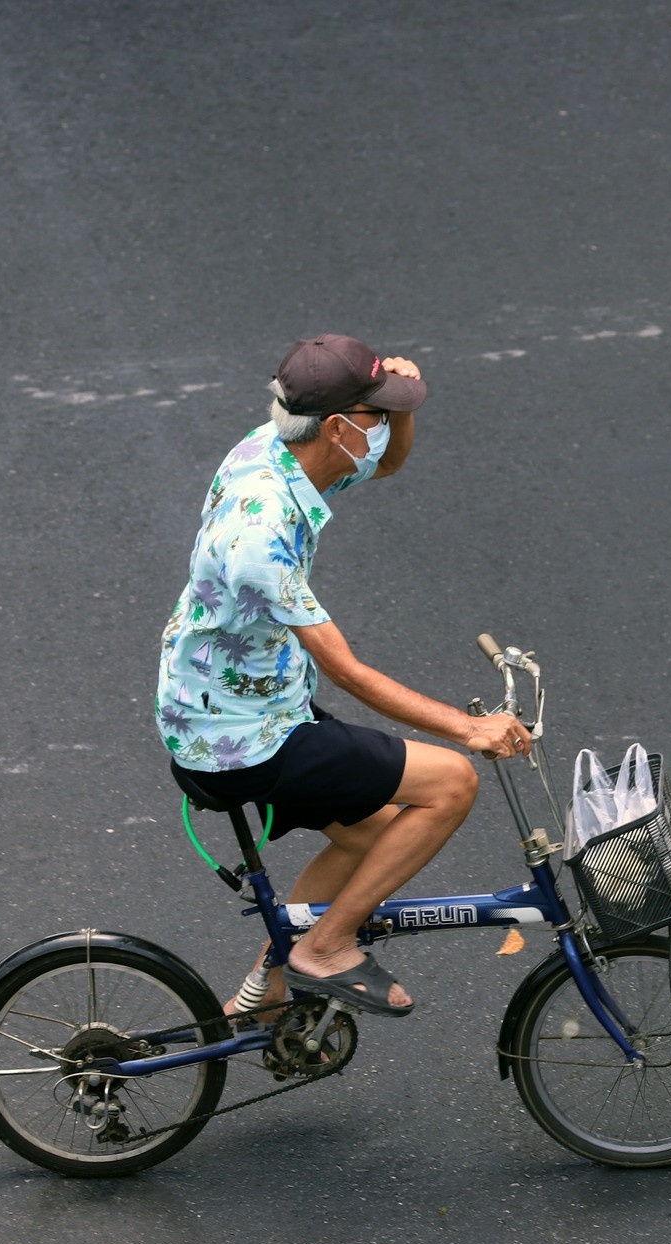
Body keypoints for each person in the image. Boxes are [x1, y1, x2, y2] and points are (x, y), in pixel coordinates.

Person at [154, 334, 530, 1017]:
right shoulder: (260, 530)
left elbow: (386, 463)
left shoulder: (279, 446)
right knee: (451, 782)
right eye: (375, 415)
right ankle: (323, 949)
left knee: (370, 836)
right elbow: (348, 671)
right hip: (241, 740)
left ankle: (268, 986)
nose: (382, 430)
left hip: (246, 703)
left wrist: (400, 405)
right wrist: (467, 727)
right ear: (336, 425)